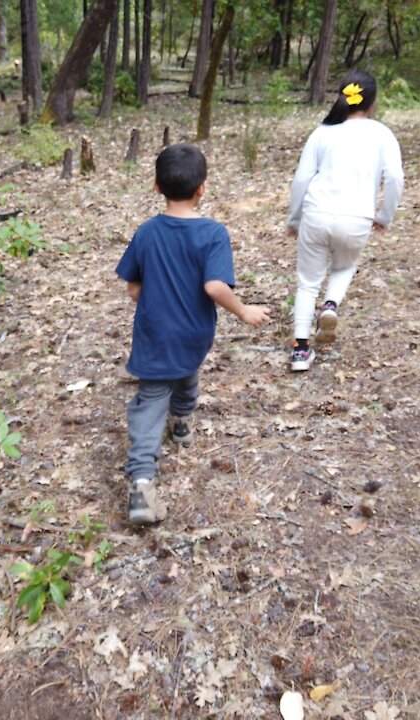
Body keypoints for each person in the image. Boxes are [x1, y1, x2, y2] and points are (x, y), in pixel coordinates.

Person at [115, 143, 270, 524]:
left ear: (156, 186)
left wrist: (155, 297)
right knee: (187, 374)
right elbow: (215, 287)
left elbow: (133, 289)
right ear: (203, 187)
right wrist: (243, 310)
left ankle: (142, 486)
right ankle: (182, 423)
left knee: (150, 404)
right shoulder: (213, 233)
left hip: (154, 333)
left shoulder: (147, 232)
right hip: (194, 333)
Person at [286, 69, 404, 371]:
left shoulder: (322, 132)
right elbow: (395, 179)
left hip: (316, 213)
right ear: (373, 103)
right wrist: (384, 216)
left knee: (308, 282)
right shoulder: (382, 134)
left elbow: (301, 180)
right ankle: (331, 304)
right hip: (357, 217)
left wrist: (294, 218)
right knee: (345, 265)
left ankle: (300, 350)